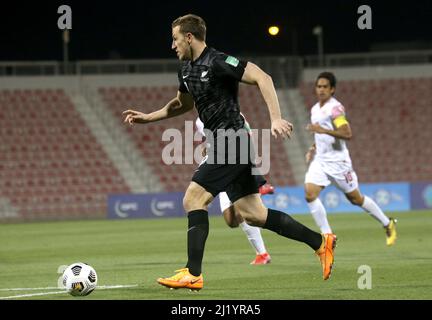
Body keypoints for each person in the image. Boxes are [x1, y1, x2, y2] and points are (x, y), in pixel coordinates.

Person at [123, 14, 337, 291]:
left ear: (189, 37)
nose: (172, 45)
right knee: (254, 214)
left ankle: (193, 273)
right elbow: (181, 104)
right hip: (221, 142)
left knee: (193, 198)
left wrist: (275, 118)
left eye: (175, 39)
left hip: (233, 140)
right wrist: (148, 117)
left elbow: (263, 77)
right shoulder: (185, 69)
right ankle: (321, 243)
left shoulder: (219, 61)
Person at [304, 71, 397, 246]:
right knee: (310, 194)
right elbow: (321, 134)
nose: (321, 89)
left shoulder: (335, 108)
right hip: (321, 161)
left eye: (325, 86)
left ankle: (387, 223)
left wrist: (323, 130)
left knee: (356, 199)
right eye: (318, 86)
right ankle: (327, 236)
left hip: (339, 163)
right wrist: (313, 148)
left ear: (332, 89)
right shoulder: (315, 109)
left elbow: (347, 133)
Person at [196, 116, 273, 265]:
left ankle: (262, 254)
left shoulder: (229, 110)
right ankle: (256, 193)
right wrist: (206, 147)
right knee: (231, 221)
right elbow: (209, 138)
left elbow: (246, 131)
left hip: (235, 164)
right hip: (219, 164)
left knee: (246, 212)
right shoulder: (199, 120)